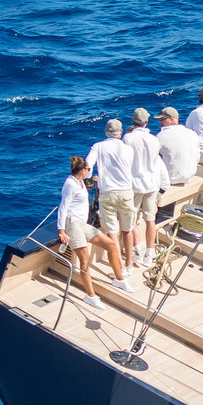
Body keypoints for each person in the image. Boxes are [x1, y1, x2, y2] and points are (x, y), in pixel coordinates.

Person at [58, 155, 127, 307]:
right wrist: (61, 230)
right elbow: (63, 207)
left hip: (83, 224)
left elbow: (82, 193)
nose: (89, 171)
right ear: (82, 170)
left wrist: (92, 183)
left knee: (110, 245)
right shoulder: (70, 184)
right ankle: (91, 296)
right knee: (85, 260)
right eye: (88, 169)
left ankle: (119, 279)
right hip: (73, 225)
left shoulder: (80, 182)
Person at [85, 118, 137, 285]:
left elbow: (87, 166)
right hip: (126, 192)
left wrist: (89, 181)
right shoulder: (128, 149)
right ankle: (129, 264)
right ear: (120, 133)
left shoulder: (98, 147)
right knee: (128, 229)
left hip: (107, 194)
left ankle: (119, 268)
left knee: (112, 232)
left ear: (106, 132)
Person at [123, 107, 168, 267]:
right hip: (152, 185)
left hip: (135, 186)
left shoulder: (128, 139)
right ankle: (149, 254)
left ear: (132, 121)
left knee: (132, 220)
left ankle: (137, 252)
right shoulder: (154, 140)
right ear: (146, 122)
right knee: (150, 220)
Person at [156, 105, 200, 183]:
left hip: (170, 178)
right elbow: (197, 157)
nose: (160, 122)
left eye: (162, 119)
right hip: (189, 176)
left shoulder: (161, 136)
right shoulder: (192, 133)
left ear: (171, 119)